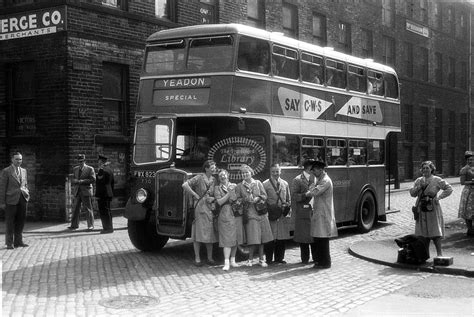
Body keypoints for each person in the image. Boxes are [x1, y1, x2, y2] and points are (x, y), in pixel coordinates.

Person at [409, 161, 452, 257]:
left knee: (435, 230)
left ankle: (439, 254)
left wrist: (439, 197)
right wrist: (418, 187)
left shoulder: (437, 180)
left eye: (427, 168)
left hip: (432, 207)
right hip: (421, 207)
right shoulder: (419, 180)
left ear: (432, 169)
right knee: (423, 232)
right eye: (423, 168)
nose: (425, 170)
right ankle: (425, 255)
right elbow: (412, 194)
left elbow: (449, 188)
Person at [182, 160, 218, 266]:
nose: (214, 169)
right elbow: (185, 185)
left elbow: (215, 192)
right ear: (206, 168)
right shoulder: (199, 178)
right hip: (200, 207)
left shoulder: (214, 179)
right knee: (198, 233)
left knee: (210, 232)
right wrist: (195, 195)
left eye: (214, 167)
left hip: (209, 207)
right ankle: (197, 258)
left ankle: (209, 258)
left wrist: (213, 198)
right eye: (212, 167)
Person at [235, 164, 272, 267]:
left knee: (262, 238)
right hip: (250, 213)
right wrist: (245, 199)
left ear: (251, 173)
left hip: (261, 213)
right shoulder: (239, 186)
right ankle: (250, 259)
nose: (245, 175)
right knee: (252, 238)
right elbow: (237, 200)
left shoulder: (258, 183)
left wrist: (258, 198)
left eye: (247, 172)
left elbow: (265, 196)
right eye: (243, 173)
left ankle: (261, 259)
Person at [309, 160, 338, 269]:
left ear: (321, 169)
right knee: (318, 238)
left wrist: (308, 191)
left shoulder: (325, 181)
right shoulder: (320, 179)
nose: (313, 172)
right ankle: (320, 260)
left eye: (315, 170)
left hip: (324, 213)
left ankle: (325, 262)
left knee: (323, 238)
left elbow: (314, 192)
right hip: (319, 212)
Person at [0, 151, 30, 249]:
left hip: (22, 198)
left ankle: (18, 241)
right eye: (16, 159)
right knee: (10, 221)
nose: (19, 161)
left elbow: (25, 184)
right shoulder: (6, 171)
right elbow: (2, 187)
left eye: (20, 159)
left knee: (21, 220)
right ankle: (9, 243)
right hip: (10, 200)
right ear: (12, 159)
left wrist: (27, 193)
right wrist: (2, 202)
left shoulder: (24, 171)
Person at [214, 169, 243, 271]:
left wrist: (233, 194)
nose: (223, 177)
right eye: (220, 176)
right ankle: (226, 262)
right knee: (226, 239)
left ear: (228, 176)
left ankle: (233, 260)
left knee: (235, 238)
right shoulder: (217, 188)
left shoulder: (235, 186)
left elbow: (237, 199)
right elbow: (220, 202)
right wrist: (229, 193)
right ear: (219, 178)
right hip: (225, 214)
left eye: (224, 175)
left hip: (236, 214)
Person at [263, 164, 291, 265]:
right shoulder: (265, 184)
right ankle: (269, 259)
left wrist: (287, 209)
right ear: (270, 172)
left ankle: (279, 258)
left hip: (282, 215)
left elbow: (288, 198)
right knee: (270, 237)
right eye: (273, 172)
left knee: (281, 237)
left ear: (280, 171)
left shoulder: (285, 184)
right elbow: (263, 200)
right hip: (271, 214)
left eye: (277, 171)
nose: (275, 173)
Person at [291, 159, 317, 264]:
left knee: (315, 236)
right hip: (303, 212)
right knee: (303, 237)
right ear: (308, 168)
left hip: (314, 211)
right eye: (313, 168)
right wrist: (304, 195)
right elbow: (294, 196)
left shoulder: (316, 178)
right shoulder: (297, 180)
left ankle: (316, 258)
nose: (315, 170)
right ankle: (304, 259)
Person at [69, 154, 96, 231]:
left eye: (82, 161)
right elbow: (74, 178)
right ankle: (74, 225)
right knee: (75, 208)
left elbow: (93, 180)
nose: (80, 163)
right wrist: (74, 181)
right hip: (77, 191)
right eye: (79, 161)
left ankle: (90, 225)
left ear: (84, 161)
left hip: (86, 191)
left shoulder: (90, 169)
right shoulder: (75, 169)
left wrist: (81, 181)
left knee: (88, 208)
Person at [95, 154, 115, 234]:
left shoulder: (102, 170)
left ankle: (107, 228)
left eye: (99, 161)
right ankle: (110, 227)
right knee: (108, 211)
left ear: (101, 161)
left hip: (103, 194)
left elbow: (100, 184)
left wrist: (97, 195)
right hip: (108, 193)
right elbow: (112, 183)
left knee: (104, 212)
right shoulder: (109, 169)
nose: (98, 162)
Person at [458, 151, 474, 236]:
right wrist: (471, 182)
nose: (470, 161)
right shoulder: (464, 169)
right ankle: (470, 229)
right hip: (469, 191)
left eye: (472, 160)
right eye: (468, 160)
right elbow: (462, 182)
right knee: (468, 210)